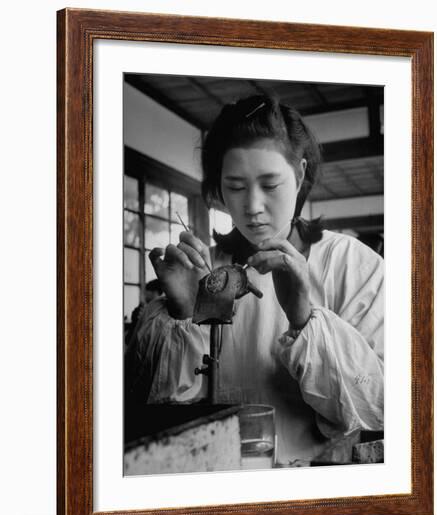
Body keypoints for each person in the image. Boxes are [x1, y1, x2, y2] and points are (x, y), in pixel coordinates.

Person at [132, 94, 384, 465]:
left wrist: (302, 318)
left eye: (269, 185)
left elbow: (378, 407)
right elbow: (155, 411)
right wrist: (183, 310)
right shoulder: (205, 269)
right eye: (235, 186)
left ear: (299, 175)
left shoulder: (352, 264)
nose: (251, 206)